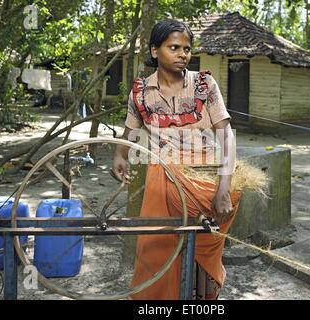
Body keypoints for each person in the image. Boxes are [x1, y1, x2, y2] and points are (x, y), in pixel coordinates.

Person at [112, 19, 242, 300]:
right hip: (164, 175)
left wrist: (222, 188)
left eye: (187, 48)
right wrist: (120, 154)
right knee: (156, 246)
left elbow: (226, 136)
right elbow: (130, 131)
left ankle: (200, 298)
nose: (183, 54)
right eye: (174, 47)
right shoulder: (140, 92)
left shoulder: (205, 85)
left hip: (205, 175)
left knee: (204, 247)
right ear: (155, 51)